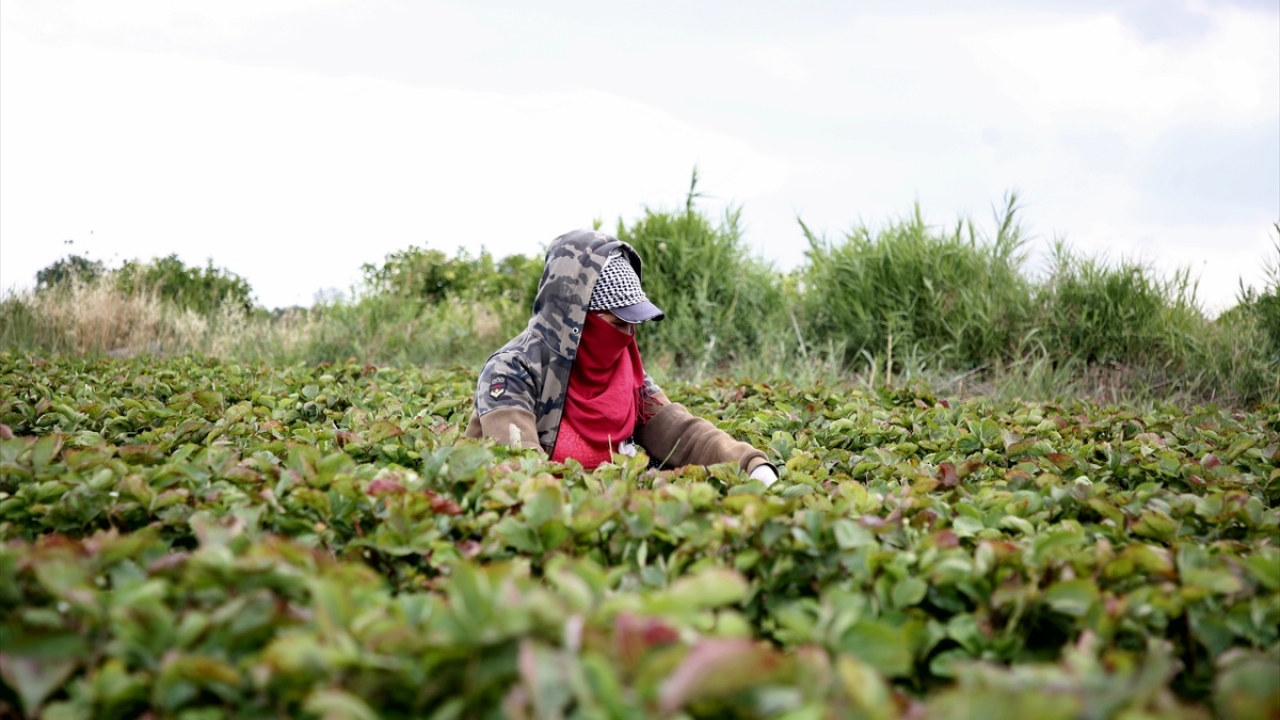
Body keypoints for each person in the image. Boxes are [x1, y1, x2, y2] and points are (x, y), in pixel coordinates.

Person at [465, 229, 779, 485]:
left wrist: (752, 464)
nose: (627, 336)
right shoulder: (513, 371)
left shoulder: (626, 373)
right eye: (617, 323)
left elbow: (684, 434)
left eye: (634, 324)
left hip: (618, 512)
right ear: (575, 319)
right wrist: (647, 487)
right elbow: (520, 474)